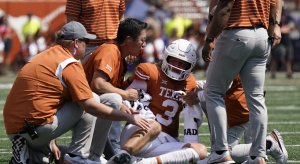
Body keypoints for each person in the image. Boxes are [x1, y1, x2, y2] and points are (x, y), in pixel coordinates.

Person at [3, 21, 150, 164]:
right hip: (37, 128)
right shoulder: (69, 63)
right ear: (75, 43)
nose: (87, 46)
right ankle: (79, 157)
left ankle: (27, 151)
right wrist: (129, 117)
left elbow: (48, 99)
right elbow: (90, 102)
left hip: (17, 129)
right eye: (85, 41)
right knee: (94, 99)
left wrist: (51, 141)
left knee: (42, 160)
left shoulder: (46, 55)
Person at [201, 0, 282, 163]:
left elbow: (225, 9)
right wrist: (275, 25)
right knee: (256, 97)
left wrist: (209, 38)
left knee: (213, 92)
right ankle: (258, 155)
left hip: (236, 32)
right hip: (262, 34)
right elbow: (275, 3)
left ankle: (220, 152)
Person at [107, 39, 208, 164]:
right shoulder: (150, 71)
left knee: (201, 151)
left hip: (166, 140)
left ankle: (142, 162)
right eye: (174, 60)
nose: (177, 66)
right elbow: (125, 100)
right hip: (140, 131)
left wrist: (195, 99)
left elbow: (192, 117)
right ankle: (124, 155)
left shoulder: (189, 82)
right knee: (155, 126)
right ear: (166, 57)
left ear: (190, 66)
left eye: (182, 63)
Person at [82, 18, 148, 158]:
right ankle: (94, 155)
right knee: (114, 99)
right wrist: (124, 95)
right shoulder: (110, 51)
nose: (144, 44)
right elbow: (98, 84)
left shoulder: (118, 53)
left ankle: (94, 153)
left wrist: (133, 79)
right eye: (142, 40)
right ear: (128, 40)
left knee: (118, 101)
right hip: (77, 103)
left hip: (86, 101)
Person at [190, 76, 288, 164]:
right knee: (220, 152)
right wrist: (197, 85)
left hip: (240, 108)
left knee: (223, 154)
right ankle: (257, 150)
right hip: (246, 100)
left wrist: (197, 96)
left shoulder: (227, 56)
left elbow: (222, 85)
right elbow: (222, 80)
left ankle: (268, 144)